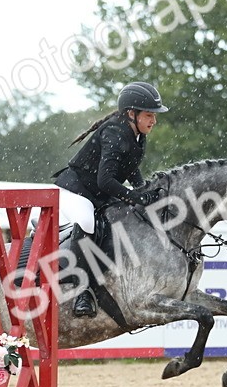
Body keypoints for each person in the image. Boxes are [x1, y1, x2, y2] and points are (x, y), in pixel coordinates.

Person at [53, 81, 167, 317]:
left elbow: (130, 168)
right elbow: (106, 180)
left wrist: (143, 189)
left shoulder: (138, 135)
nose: (153, 121)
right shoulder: (114, 133)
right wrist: (135, 196)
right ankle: (82, 291)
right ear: (131, 113)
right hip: (75, 190)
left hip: (98, 193)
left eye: (154, 116)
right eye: (149, 115)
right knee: (87, 222)